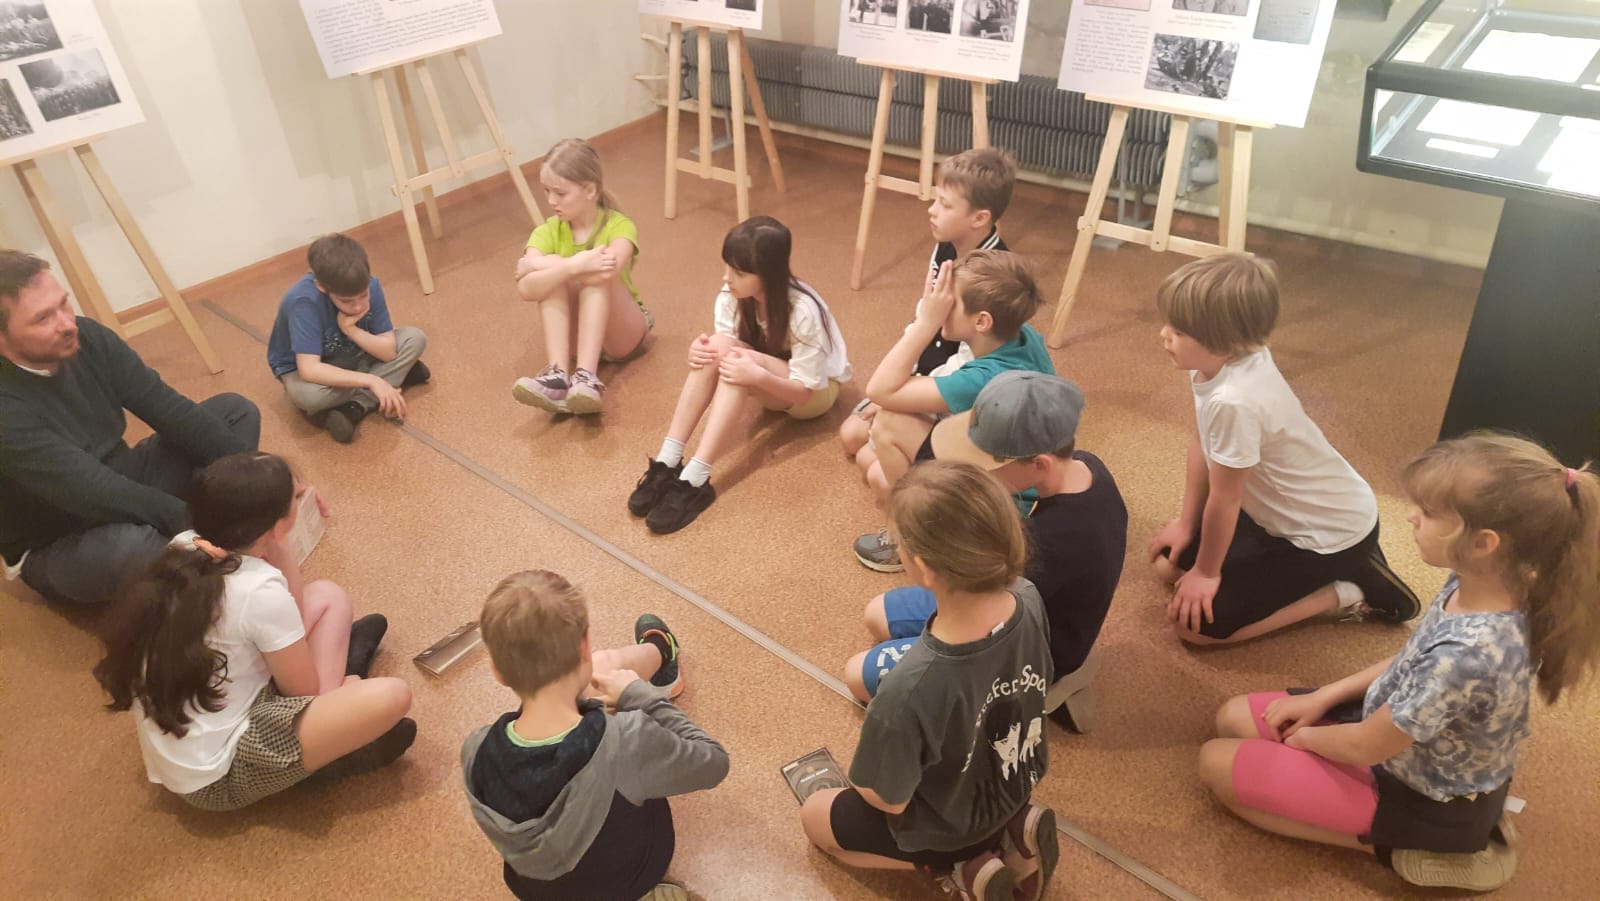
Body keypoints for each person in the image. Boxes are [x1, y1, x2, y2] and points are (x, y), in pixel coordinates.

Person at [1198, 433, 1600, 892]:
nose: (1411, 516)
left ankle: (1400, 845)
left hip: (1417, 791)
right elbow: (1411, 659)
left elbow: (1366, 747)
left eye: (1427, 512)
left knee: (1215, 765)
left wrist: (1304, 740)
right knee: (1230, 717)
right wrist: (1325, 696)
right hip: (1398, 730)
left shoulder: (1468, 655)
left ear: (1482, 542)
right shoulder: (1483, 582)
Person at [95, 452, 414, 811]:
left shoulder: (186, 542)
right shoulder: (258, 590)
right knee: (392, 695)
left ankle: (338, 705)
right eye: (294, 499)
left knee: (329, 596)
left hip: (220, 702)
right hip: (220, 773)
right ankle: (322, 761)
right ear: (276, 527)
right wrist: (283, 547)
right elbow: (303, 691)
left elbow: (287, 615)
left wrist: (278, 540)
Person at [802, 461, 1059, 901]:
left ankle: (958, 864)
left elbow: (889, 798)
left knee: (815, 816)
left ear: (922, 567)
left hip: (949, 827)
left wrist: (867, 774)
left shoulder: (909, 689)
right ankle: (1016, 830)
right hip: (1015, 782)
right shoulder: (1028, 596)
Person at [1145, 253, 1419, 644]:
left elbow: (1226, 497)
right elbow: (1203, 440)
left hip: (1327, 536)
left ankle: (1350, 589)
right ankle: (1343, 569)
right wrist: (1187, 524)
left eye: (1179, 331)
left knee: (1195, 630)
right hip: (1284, 514)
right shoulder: (1220, 362)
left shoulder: (1234, 400)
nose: (1163, 335)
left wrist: (1207, 573)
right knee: (1167, 565)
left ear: (1225, 341)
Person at [845, 372, 1127, 736]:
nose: (978, 468)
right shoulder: (1087, 465)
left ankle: (1026, 695)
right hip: (1029, 606)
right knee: (876, 614)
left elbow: (988, 615)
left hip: (1025, 650)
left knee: (857, 675)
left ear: (1040, 463)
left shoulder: (1051, 543)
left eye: (989, 462)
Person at [0, 250, 259, 606]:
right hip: (59, 534)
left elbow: (169, 409)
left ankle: (188, 555)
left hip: (123, 475)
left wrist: (268, 475)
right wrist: (190, 524)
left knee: (235, 413)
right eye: (43, 318)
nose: (67, 323)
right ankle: (193, 557)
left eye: (63, 304)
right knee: (130, 548)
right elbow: (88, 490)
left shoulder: (88, 337)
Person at [462, 570, 727, 901]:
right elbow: (714, 762)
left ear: (497, 671)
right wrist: (641, 695)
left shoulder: (475, 749)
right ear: (586, 646)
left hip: (536, 891)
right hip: (629, 878)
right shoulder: (627, 740)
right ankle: (661, 653)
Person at [628, 216, 851, 534]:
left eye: (739, 272)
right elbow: (725, 349)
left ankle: (696, 478)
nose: (726, 277)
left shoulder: (802, 310)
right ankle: (668, 459)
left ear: (768, 275)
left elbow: (805, 392)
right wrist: (699, 354)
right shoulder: (732, 295)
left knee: (736, 360)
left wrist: (756, 376)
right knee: (717, 347)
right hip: (766, 373)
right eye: (727, 267)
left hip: (813, 394)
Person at [851, 250, 1055, 572]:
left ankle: (920, 537)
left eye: (950, 301)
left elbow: (879, 390)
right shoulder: (1020, 336)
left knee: (888, 423)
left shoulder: (984, 378)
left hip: (1004, 502)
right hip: (1011, 470)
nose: (940, 303)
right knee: (874, 468)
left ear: (982, 321)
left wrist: (926, 321)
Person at [840, 147, 1013, 465]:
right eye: (935, 199)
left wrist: (905, 395)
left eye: (945, 204)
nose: (931, 210)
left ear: (979, 218)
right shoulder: (946, 245)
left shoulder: (992, 278)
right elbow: (926, 315)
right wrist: (903, 379)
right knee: (851, 435)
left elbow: (970, 364)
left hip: (952, 396)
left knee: (868, 459)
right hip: (925, 375)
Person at [511, 138, 652, 416]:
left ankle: (586, 376)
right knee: (554, 281)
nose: (551, 201)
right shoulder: (546, 232)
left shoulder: (618, 225)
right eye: (546, 191)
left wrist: (541, 264)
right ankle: (558, 375)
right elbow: (526, 289)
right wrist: (571, 266)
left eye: (560, 193)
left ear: (589, 190)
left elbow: (607, 269)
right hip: (577, 337)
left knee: (595, 276)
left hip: (622, 335)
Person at [266, 233, 429, 444]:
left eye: (363, 296)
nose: (358, 306)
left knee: (415, 338)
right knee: (309, 396)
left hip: (354, 351)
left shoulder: (371, 284)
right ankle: (392, 378)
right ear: (321, 287)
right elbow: (309, 369)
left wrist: (351, 330)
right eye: (347, 301)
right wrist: (373, 380)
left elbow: (388, 352)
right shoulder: (303, 302)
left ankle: (354, 407)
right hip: (308, 368)